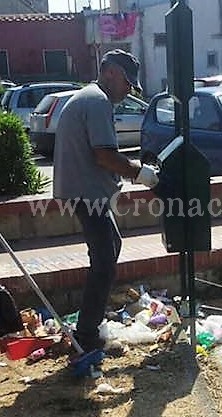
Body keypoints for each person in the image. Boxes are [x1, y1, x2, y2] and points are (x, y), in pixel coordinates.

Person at [53, 49, 159, 353]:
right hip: (87, 193)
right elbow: (104, 155)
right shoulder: (97, 101)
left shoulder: (88, 98)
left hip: (86, 190)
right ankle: (86, 334)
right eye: (127, 81)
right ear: (110, 71)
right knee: (103, 262)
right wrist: (141, 174)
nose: (128, 89)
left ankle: (91, 324)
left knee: (111, 247)